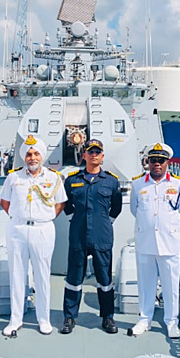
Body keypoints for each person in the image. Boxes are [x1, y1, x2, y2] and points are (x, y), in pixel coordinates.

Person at [0, 135, 67, 336]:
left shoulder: (53, 178)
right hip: (18, 229)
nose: (32, 158)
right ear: (24, 157)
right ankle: (15, 319)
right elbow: (5, 202)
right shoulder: (14, 178)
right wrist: (18, 217)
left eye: (36, 153)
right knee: (17, 274)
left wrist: (45, 218)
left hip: (43, 229)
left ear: (42, 156)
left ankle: (43, 319)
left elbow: (60, 202)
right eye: (29, 154)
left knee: (42, 275)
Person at [59, 139, 122, 335]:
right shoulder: (72, 180)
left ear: (102, 156)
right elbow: (66, 203)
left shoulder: (111, 181)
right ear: (84, 155)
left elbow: (117, 206)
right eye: (90, 152)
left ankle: (108, 317)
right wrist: (74, 219)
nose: (94, 155)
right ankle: (69, 317)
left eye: (97, 152)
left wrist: (105, 222)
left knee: (104, 278)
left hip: (102, 235)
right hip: (78, 234)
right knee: (74, 277)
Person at [129, 142, 180, 339]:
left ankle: (171, 321)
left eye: (161, 161)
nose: (157, 164)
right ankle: (144, 319)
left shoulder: (179, 184)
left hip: (168, 242)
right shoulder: (138, 184)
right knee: (145, 284)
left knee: (170, 284)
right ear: (148, 162)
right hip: (146, 241)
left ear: (167, 163)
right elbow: (135, 209)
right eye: (153, 160)